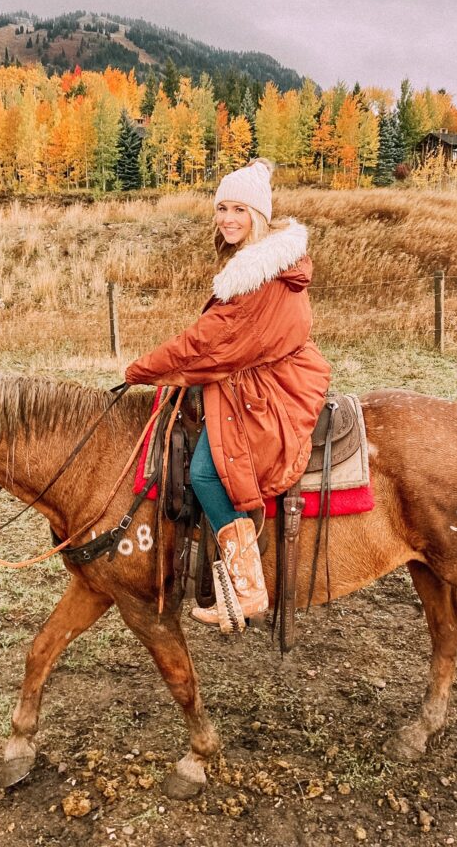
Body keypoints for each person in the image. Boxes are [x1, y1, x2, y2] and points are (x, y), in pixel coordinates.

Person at [124, 158, 331, 626]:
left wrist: (143, 369)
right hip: (265, 375)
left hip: (267, 390)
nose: (227, 218)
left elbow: (207, 342)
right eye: (222, 208)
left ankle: (249, 584)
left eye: (238, 208)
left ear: (258, 215)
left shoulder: (259, 277)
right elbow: (216, 342)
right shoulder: (263, 265)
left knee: (205, 472)